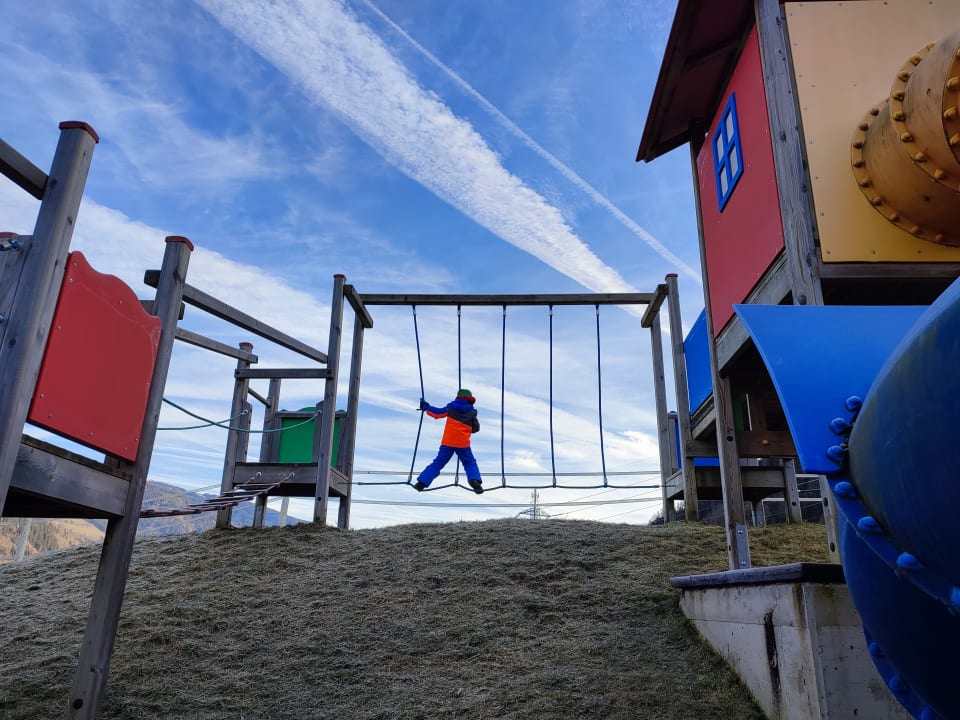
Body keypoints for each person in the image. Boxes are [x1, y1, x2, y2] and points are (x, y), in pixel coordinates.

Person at [414, 388, 483, 494]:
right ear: (470, 398)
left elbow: (438, 413)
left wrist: (426, 407)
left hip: (448, 442)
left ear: (458, 396)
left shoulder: (451, 407)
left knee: (438, 462)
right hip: (462, 443)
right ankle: (475, 481)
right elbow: (475, 429)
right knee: (469, 462)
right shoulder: (472, 411)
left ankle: (421, 483)